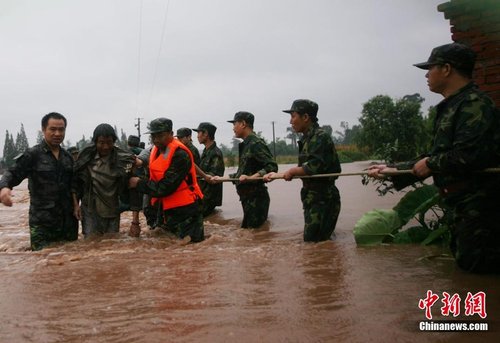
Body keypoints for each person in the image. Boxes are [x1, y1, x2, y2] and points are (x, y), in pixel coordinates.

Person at [368, 43, 500, 273]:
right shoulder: (452, 106)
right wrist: (393, 169)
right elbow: (438, 156)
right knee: (468, 268)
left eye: (431, 68)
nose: (427, 75)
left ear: (447, 69)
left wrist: (429, 164)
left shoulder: (474, 105)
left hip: (480, 208)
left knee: (480, 271)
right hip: (461, 206)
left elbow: (470, 155)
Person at [264, 99, 341, 241]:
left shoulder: (320, 137)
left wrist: (292, 171)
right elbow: (305, 169)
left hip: (323, 200)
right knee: (316, 243)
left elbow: (313, 167)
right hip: (312, 199)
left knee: (315, 244)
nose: (290, 121)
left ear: (305, 117)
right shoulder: (307, 139)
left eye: (293, 116)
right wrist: (277, 174)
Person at [0, 112, 78, 250]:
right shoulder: (33, 155)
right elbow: (12, 173)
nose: (57, 133)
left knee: (69, 263)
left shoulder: (68, 158)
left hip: (68, 222)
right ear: (43, 130)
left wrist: (77, 206)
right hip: (42, 224)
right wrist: (4, 187)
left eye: (61, 129)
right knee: (42, 263)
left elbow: (74, 185)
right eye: (53, 129)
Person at [129, 118, 205, 243]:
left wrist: (138, 183)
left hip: (186, 212)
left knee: (190, 251)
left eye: (160, 135)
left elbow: (165, 187)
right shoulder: (155, 150)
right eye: (153, 136)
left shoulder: (180, 154)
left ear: (171, 133)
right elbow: (146, 162)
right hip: (166, 211)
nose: (156, 139)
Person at [216, 111, 277, 228]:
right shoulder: (246, 144)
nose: (233, 128)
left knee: (256, 236)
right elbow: (242, 174)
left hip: (256, 199)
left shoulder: (255, 143)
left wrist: (252, 177)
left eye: (234, 124)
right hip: (248, 199)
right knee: (250, 235)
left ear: (243, 124)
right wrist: (220, 179)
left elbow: (272, 166)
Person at [72, 123, 135, 237]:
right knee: (91, 243)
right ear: (95, 142)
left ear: (114, 142)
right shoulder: (86, 157)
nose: (105, 147)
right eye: (101, 143)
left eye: (109, 142)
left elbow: (132, 184)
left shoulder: (123, 159)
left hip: (112, 208)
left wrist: (135, 221)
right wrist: (76, 205)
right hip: (90, 209)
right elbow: (75, 182)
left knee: (111, 243)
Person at [192, 122, 225, 216]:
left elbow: (213, 177)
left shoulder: (215, 153)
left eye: (198, 133)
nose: (197, 136)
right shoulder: (206, 151)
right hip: (202, 194)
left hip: (208, 197)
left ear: (206, 134)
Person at [126, 135, 145, 237]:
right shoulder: (143, 152)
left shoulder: (124, 152)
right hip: (143, 185)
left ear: (128, 143)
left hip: (126, 186)